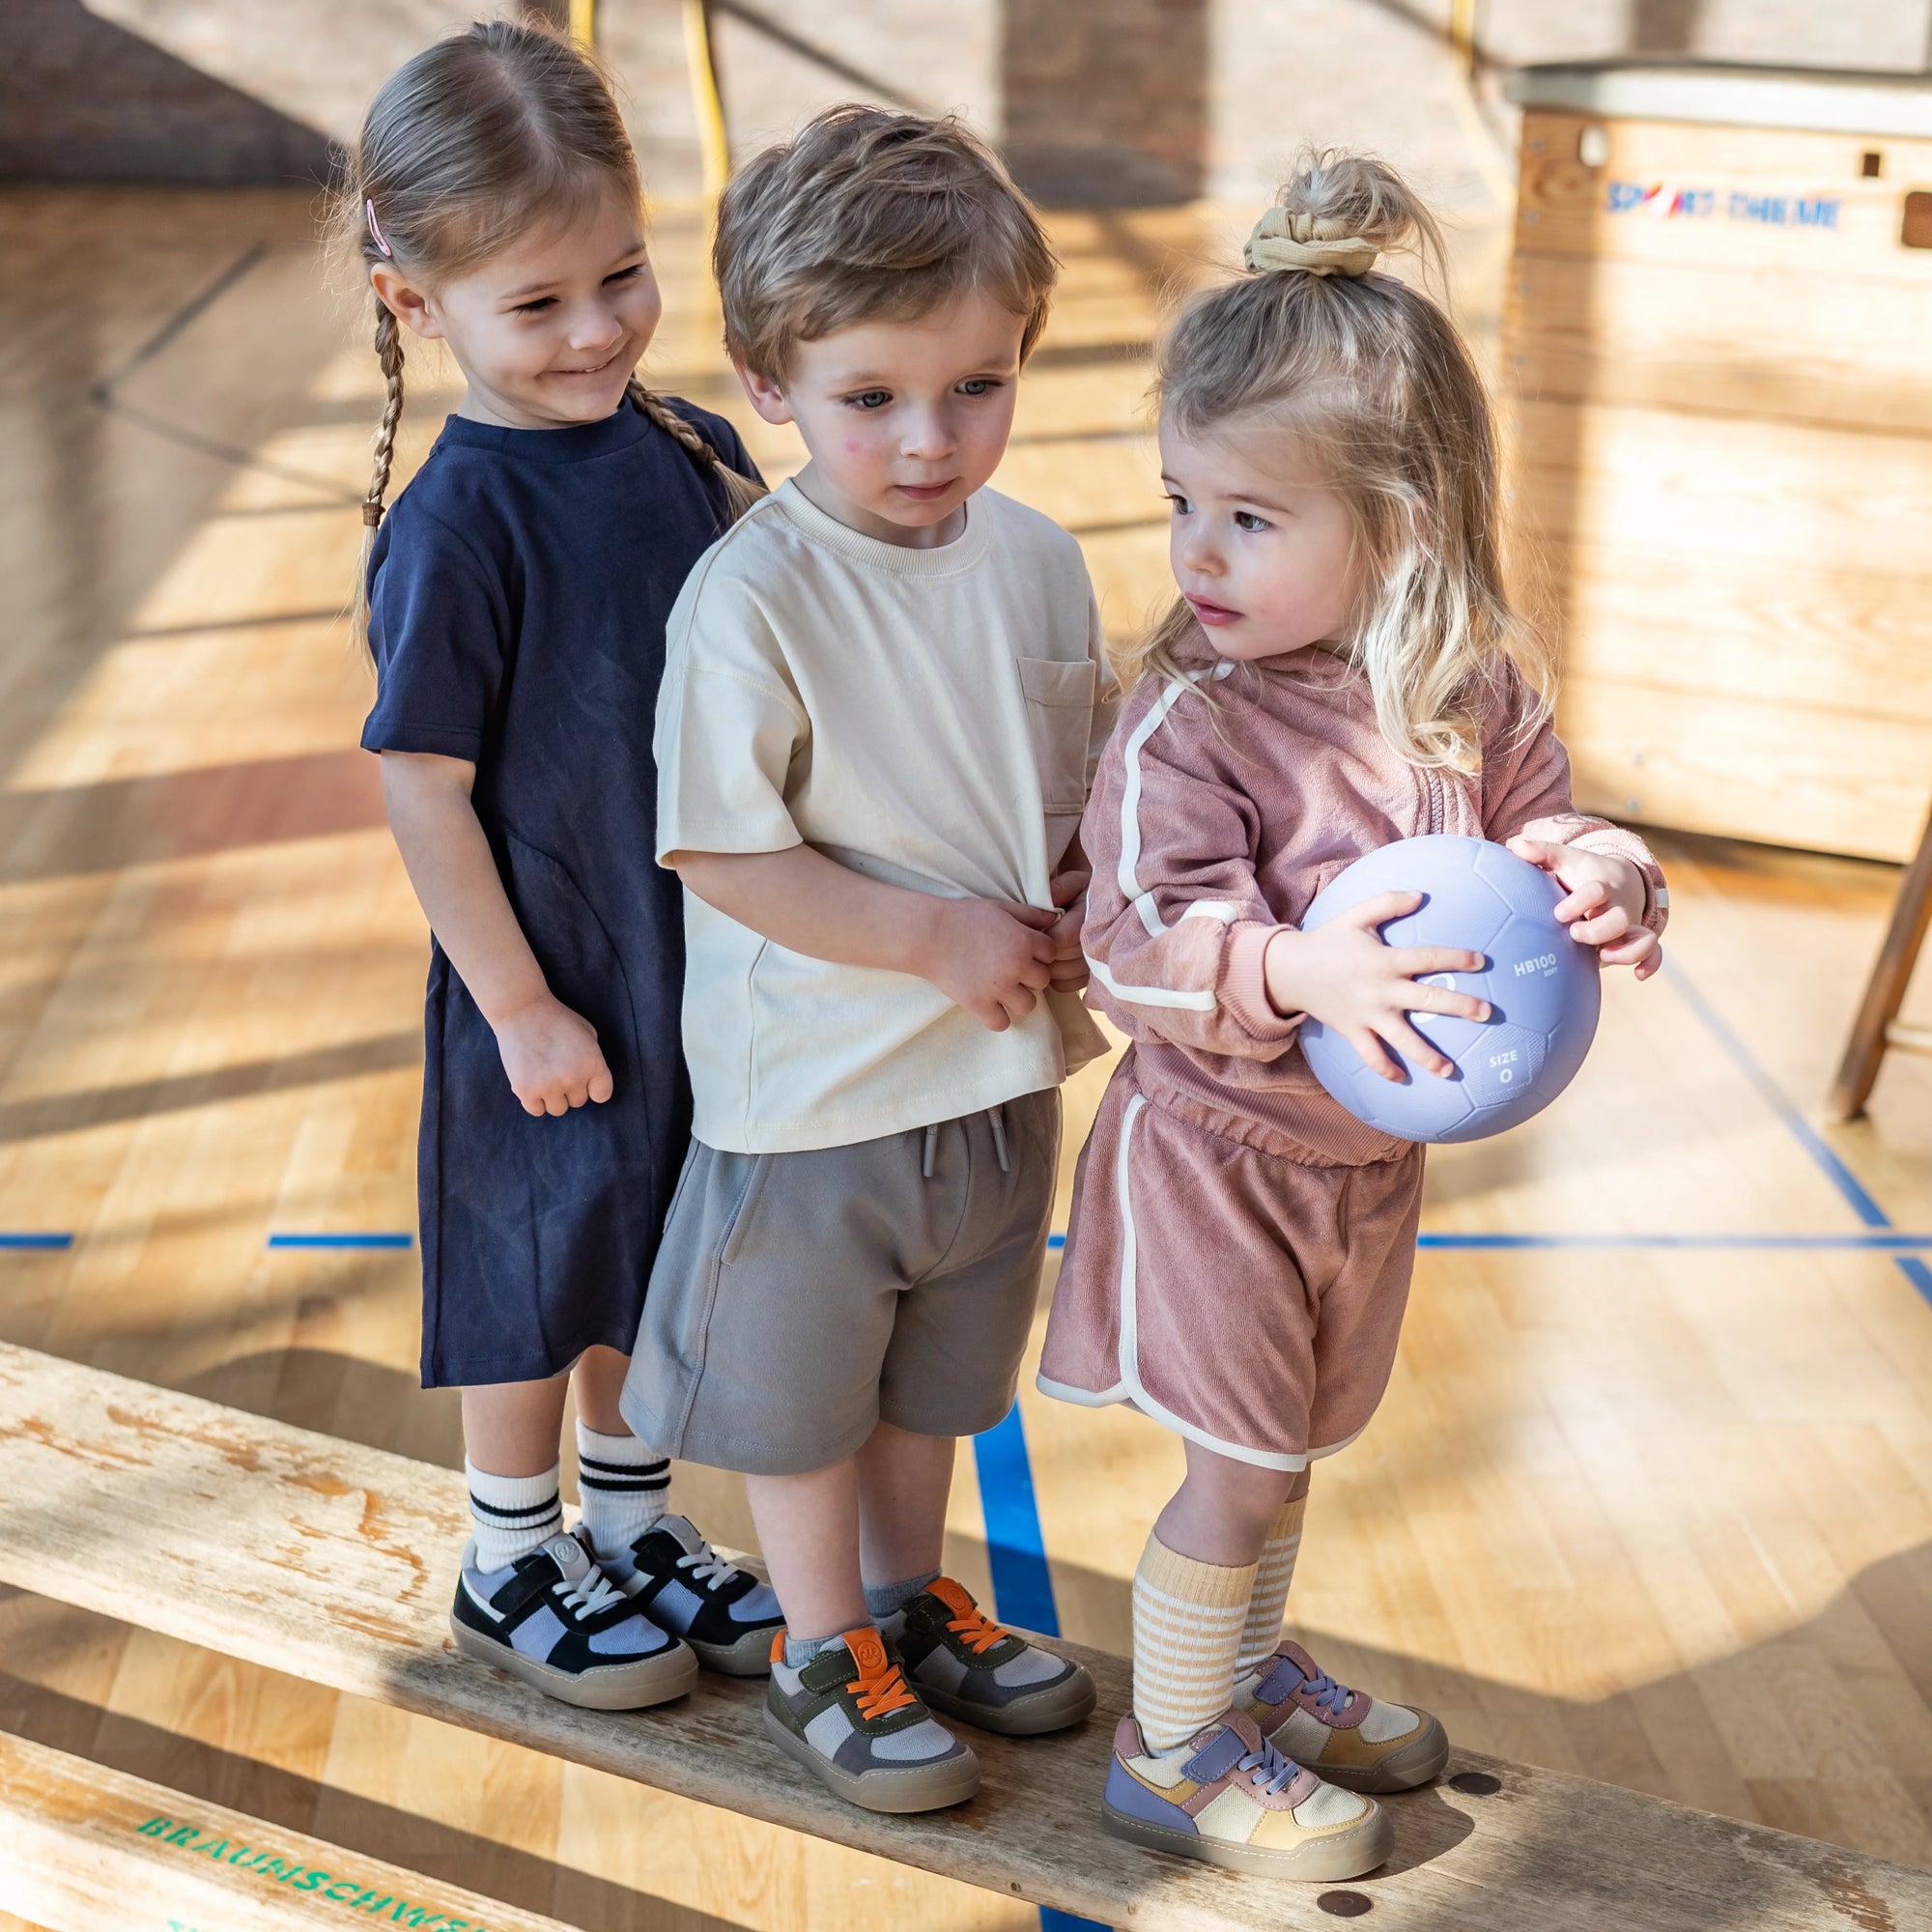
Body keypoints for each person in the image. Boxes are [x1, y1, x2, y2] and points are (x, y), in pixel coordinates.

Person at [1038, 150, 1669, 1880]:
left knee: (1291, 1459)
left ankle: (1236, 1683)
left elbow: (1545, 821)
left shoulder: (1470, 685)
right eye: (1183, 503)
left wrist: (1607, 873)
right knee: (1232, 1470)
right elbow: (1133, 947)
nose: (1196, 551)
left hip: (1359, 1168)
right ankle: (1173, 1753)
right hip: (1219, 1161)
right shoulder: (1194, 720)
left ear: (1397, 522)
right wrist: (1297, 969)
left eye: (1248, 517)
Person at [621, 104, 1112, 1813]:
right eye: (873, 398)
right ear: (770, 382)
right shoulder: (750, 596)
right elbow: (723, 847)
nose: (930, 440)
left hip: (997, 1078)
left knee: (937, 1387)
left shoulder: (1041, 562)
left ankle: (911, 1604)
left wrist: (1074, 887)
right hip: (820, 1099)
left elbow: (1065, 790)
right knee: (807, 1401)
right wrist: (931, 933)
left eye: (977, 386)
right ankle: (827, 1644)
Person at [346, 17, 782, 1712]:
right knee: (538, 1258)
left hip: (687, 946)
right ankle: (509, 1545)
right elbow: (425, 790)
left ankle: (628, 1516)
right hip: (542, 966)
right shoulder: (460, 522)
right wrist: (516, 1001)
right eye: (537, 305)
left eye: (623, 275)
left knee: (648, 1239)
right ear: (416, 300)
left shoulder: (678, 446)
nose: (597, 330)